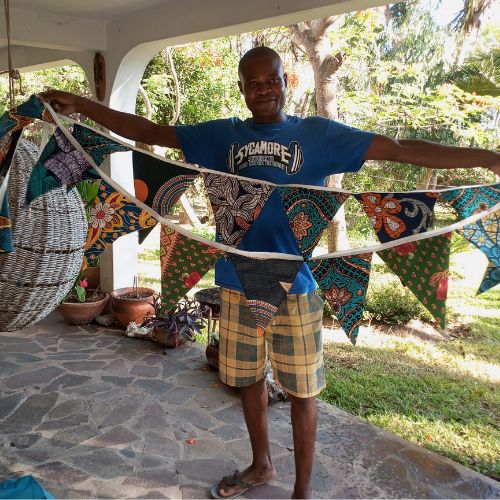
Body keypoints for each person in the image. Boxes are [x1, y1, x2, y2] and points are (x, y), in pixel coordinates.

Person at [40, 46, 499, 499]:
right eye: (253, 83)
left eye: (271, 80)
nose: (263, 90)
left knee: (303, 392)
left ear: (286, 81)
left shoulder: (320, 135)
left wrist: (487, 159)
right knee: (248, 381)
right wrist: (79, 104)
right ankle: (261, 465)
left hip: (296, 287)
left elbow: (399, 150)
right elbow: (149, 130)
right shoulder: (221, 136)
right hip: (236, 283)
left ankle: (302, 489)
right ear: (241, 88)